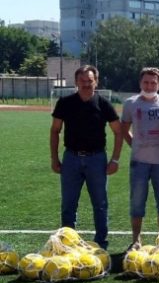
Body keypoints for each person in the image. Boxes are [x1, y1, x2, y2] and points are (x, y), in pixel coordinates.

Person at [50, 65, 123, 250]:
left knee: (100, 204)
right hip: (71, 158)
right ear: (76, 82)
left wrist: (114, 159)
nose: (86, 84)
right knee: (68, 205)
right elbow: (55, 130)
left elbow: (118, 131)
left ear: (96, 81)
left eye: (89, 81)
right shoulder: (65, 103)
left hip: (96, 159)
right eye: (82, 81)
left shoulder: (104, 104)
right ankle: (67, 243)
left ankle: (101, 244)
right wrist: (54, 158)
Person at [121, 67, 159, 250]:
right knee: (137, 202)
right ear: (140, 83)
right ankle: (136, 240)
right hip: (139, 162)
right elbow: (124, 128)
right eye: (146, 82)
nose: (149, 85)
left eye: (153, 82)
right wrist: (134, 144)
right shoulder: (130, 103)